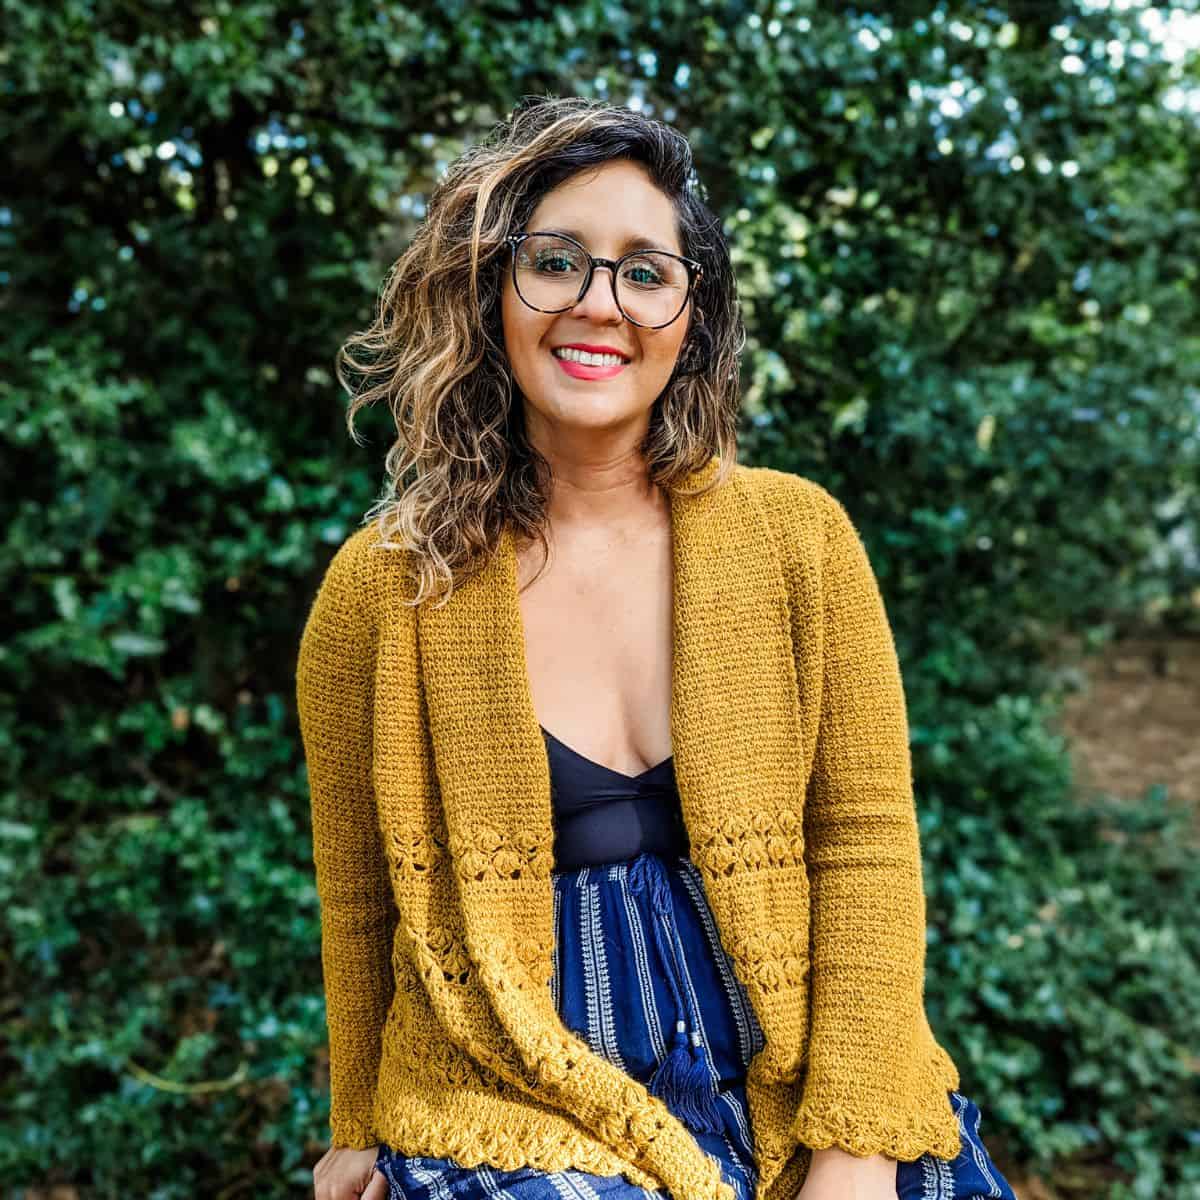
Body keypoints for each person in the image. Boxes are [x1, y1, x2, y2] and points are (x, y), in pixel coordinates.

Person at [297, 95, 1018, 1200]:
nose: (600, 304)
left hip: (798, 1064)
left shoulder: (799, 542)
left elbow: (866, 843)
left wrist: (857, 1144)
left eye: (645, 271)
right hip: (511, 1085)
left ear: (693, 313)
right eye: (557, 261)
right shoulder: (384, 593)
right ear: (493, 291)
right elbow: (357, 895)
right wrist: (354, 1120)